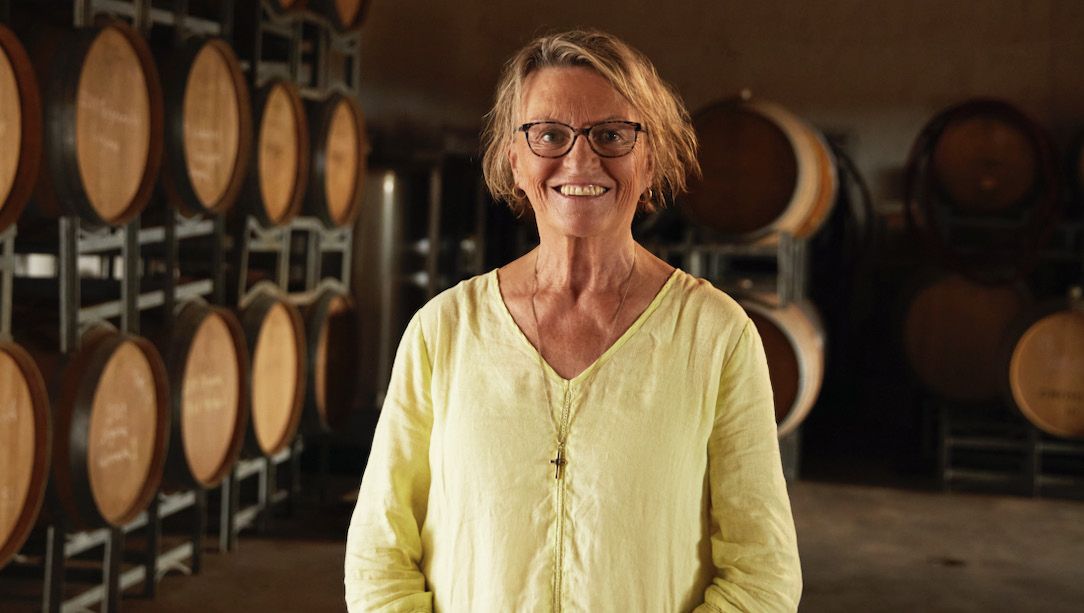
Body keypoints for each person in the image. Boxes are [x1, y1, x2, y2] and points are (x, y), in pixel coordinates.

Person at [345, 29, 801, 612]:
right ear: (514, 159)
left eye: (611, 135)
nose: (580, 159)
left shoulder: (714, 335)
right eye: (549, 134)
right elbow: (379, 553)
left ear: (649, 158)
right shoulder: (445, 330)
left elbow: (762, 573)